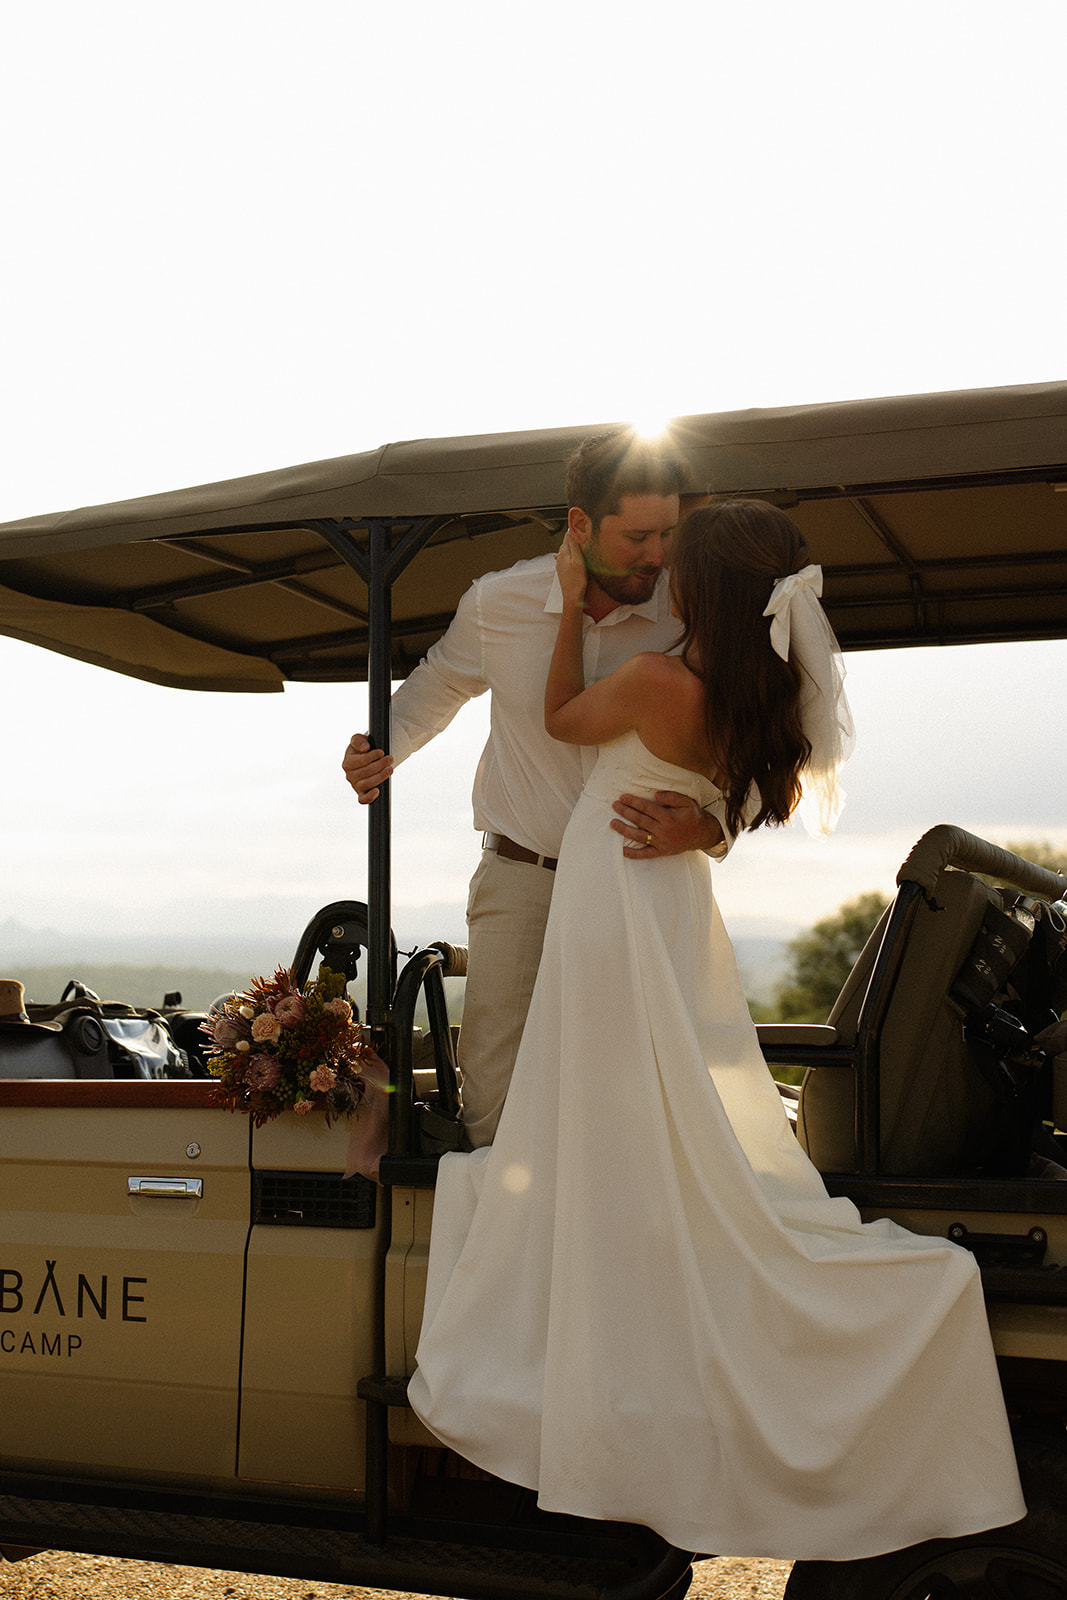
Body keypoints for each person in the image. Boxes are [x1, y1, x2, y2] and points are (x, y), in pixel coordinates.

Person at [407, 500, 1026, 1561]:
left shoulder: (654, 678)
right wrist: (708, 822)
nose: (664, 574)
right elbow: (750, 788)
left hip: (613, 896)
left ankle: (591, 1284)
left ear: (707, 587)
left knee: (596, 1081)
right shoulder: (747, 693)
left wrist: (563, 607)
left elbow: (558, 716)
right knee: (645, 1081)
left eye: (678, 563)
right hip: (671, 899)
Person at [343, 427, 727, 1152]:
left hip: (641, 887)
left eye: (668, 534)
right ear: (580, 524)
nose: (657, 555)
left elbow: (759, 752)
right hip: (522, 882)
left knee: (632, 1102)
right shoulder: (497, 602)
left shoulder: (695, 610)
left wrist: (710, 828)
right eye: (639, 535)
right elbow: (436, 684)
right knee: (497, 1097)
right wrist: (379, 745)